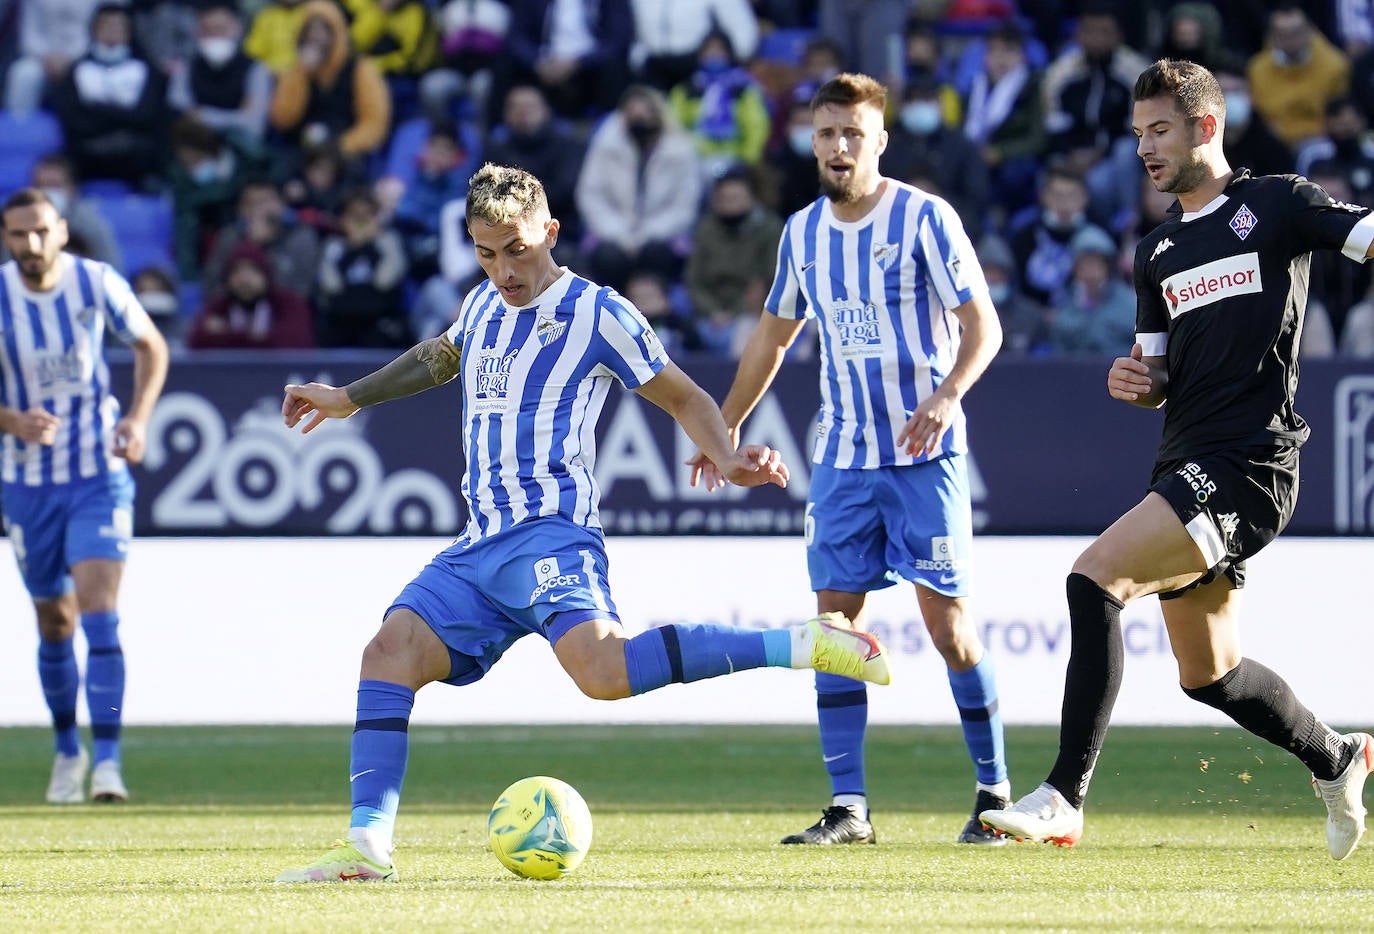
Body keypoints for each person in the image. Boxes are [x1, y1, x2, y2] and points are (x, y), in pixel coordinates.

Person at [272, 163, 891, 883]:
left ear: (550, 233)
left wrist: (728, 454)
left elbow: (686, 397)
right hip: (478, 546)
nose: (503, 269)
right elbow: (441, 356)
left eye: (516, 249)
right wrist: (348, 397)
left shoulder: (600, 313)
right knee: (387, 652)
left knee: (604, 674)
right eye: (485, 252)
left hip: (551, 534)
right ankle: (368, 847)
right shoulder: (480, 305)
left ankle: (803, 642)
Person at [980, 59, 1374, 861]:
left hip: (1251, 465)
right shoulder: (1156, 250)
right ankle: (1338, 758)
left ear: (1206, 127)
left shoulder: (1277, 204)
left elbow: (1364, 236)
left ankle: (1063, 795)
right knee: (1210, 675)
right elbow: (1154, 372)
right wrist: (1138, 381)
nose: (1145, 149)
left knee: (1094, 579)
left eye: (1159, 130)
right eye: (1137, 135)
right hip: (1185, 461)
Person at [689, 73, 1010, 847]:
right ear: (812, 138)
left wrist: (948, 395)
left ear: (879, 141)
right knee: (834, 628)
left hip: (922, 454)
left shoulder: (926, 219)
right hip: (841, 460)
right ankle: (849, 808)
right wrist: (720, 431)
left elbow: (983, 326)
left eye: (853, 134)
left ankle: (995, 797)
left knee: (950, 630)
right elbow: (771, 339)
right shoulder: (801, 233)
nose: (839, 147)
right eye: (827, 132)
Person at [0, 188, 169, 804]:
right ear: (6, 238)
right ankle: (67, 751)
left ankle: (108, 764)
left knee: (99, 612)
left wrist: (139, 419)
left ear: (62, 230)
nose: (32, 244)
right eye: (19, 234)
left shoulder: (96, 283)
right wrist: (9, 420)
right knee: (55, 621)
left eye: (41, 231)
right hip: (25, 482)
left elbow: (151, 344)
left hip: (97, 471)